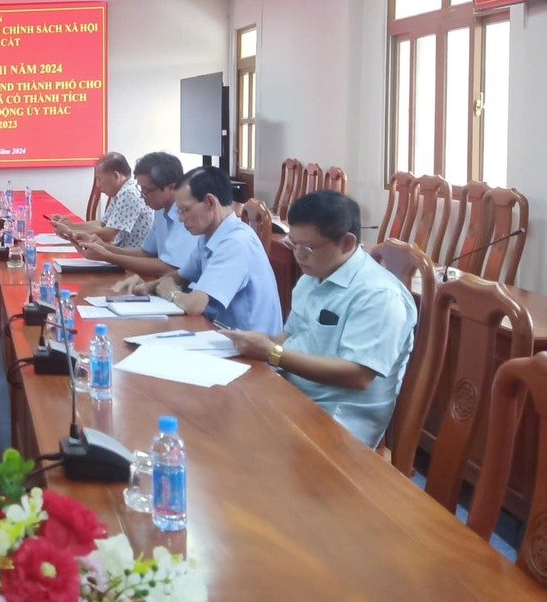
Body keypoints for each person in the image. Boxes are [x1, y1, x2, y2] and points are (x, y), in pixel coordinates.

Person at [221, 191, 417, 447]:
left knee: (232, 439)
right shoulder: (312, 276)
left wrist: (272, 352)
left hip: (334, 424)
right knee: (218, 410)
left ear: (346, 243)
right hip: (292, 396)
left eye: (308, 248)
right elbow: (293, 335)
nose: (298, 255)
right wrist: (258, 344)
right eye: (294, 244)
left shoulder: (379, 295)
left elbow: (358, 375)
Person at [117, 166, 281, 333]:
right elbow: (181, 276)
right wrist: (148, 286)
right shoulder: (209, 236)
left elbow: (195, 305)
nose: (180, 218)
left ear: (210, 202)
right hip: (220, 333)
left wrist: (171, 293)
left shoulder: (236, 243)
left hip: (250, 345)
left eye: (185, 210)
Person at [84, 152, 198, 277]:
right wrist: (104, 248)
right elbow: (147, 253)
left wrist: (108, 256)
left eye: (146, 191)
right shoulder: (160, 210)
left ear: (171, 187)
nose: (142, 197)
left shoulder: (185, 215)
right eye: (141, 190)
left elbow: (168, 268)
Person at [52, 152, 152, 248]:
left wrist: (70, 231)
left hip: (130, 256)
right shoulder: (121, 192)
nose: (98, 185)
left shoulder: (129, 194)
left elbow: (109, 234)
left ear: (116, 176)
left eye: (99, 179)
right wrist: (71, 226)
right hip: (120, 251)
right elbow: (102, 224)